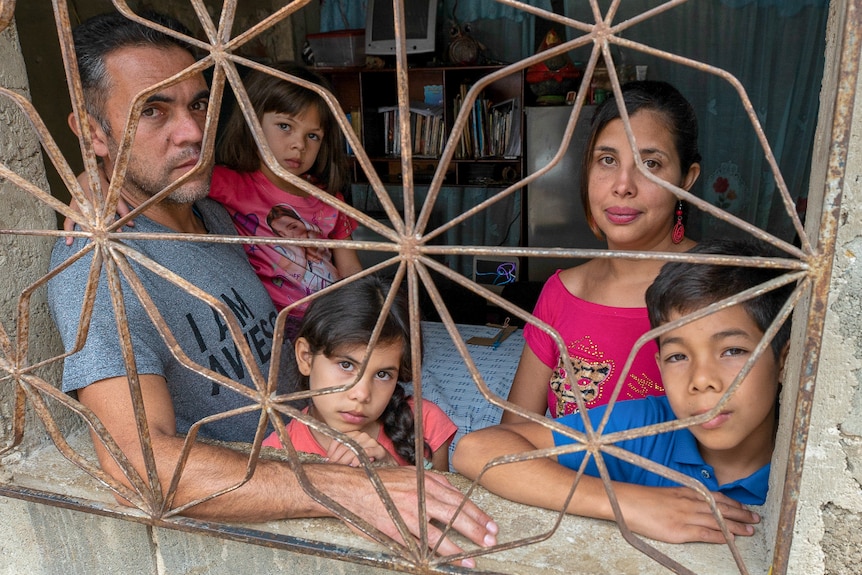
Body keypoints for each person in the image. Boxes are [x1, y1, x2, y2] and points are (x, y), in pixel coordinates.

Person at [49, 12, 496, 564]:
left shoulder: (215, 212)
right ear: (93, 132)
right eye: (152, 111)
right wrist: (342, 488)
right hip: (269, 514)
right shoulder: (97, 264)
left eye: (197, 104)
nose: (191, 131)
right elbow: (134, 462)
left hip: (328, 431)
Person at [453, 239, 793, 543]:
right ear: (659, 364)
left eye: (732, 351)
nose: (701, 380)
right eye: (678, 356)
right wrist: (627, 502)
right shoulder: (647, 427)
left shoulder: (812, 466)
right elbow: (476, 449)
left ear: (784, 362)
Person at [502, 81, 702, 423]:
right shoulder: (562, 293)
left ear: (686, 179)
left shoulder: (721, 287)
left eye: (650, 164)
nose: (623, 185)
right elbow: (514, 433)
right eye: (607, 160)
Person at [212, 62, 363, 337]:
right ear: (253, 123)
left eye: (313, 136)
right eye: (285, 126)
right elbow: (172, 181)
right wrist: (108, 183)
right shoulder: (232, 184)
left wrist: (361, 312)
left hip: (333, 316)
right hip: (278, 322)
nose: (299, 145)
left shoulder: (329, 199)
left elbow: (350, 268)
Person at [262, 275, 456, 471]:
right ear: (306, 357)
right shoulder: (275, 455)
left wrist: (391, 471)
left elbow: (440, 498)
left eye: (382, 374)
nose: (362, 394)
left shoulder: (425, 423)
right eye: (346, 365)